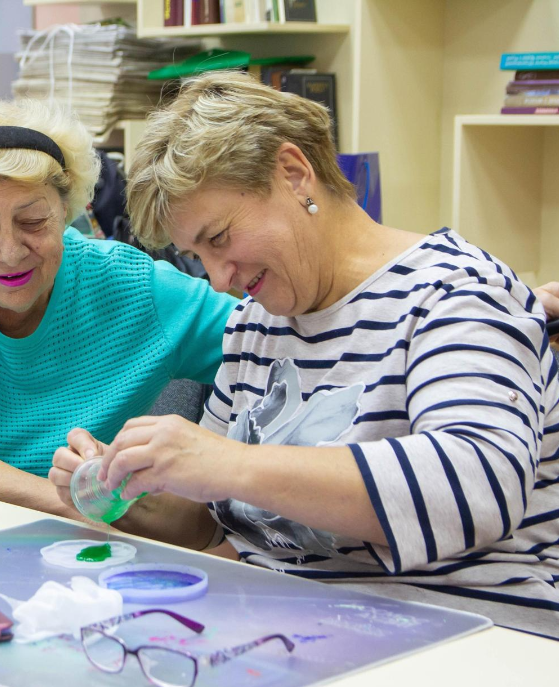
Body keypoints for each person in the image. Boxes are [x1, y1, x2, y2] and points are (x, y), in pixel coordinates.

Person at [50, 71, 559, 638]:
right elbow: (209, 521)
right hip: (293, 625)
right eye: (197, 255)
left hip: (466, 630)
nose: (219, 279)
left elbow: (477, 487)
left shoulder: (456, 292)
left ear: (293, 174)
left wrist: (227, 462)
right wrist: (123, 487)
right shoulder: (256, 321)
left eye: (219, 239)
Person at [0, 98, 236, 539]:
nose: (10, 251)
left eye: (33, 220)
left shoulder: (132, 286)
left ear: (67, 211)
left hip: (84, 555)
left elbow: (272, 340)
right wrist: (71, 502)